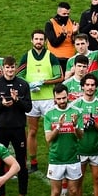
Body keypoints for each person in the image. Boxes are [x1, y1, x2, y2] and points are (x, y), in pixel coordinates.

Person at [17, 29, 64, 172]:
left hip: (48, 99)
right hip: (32, 99)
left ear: (45, 41)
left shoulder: (51, 57)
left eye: (41, 39)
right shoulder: (27, 57)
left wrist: (44, 82)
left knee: (53, 130)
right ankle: (34, 162)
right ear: (32, 41)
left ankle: (56, 159)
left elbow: (60, 77)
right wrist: (28, 85)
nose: (38, 41)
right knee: (32, 131)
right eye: (36, 39)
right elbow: (19, 75)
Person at [0, 55, 32, 196]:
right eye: (7, 67)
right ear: (3, 68)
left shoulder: (23, 85)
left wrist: (17, 100)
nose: (10, 70)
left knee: (21, 162)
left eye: (12, 67)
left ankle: (23, 195)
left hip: (18, 128)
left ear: (15, 68)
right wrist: (2, 104)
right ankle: (1, 195)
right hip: (1, 128)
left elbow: (28, 107)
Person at [44, 84, 84, 196]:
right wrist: (58, 127)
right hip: (56, 159)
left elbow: (81, 136)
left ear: (68, 96)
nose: (62, 101)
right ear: (54, 98)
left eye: (64, 98)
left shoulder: (76, 112)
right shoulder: (49, 114)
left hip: (73, 158)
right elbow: (48, 139)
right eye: (59, 98)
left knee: (73, 191)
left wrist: (75, 126)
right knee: (55, 192)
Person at [45, 2, 79, 75]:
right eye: (64, 14)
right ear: (58, 12)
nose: (66, 16)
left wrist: (75, 33)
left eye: (68, 14)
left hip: (70, 58)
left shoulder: (72, 23)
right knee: (58, 81)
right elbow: (54, 43)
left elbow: (76, 42)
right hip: (56, 59)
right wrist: (63, 35)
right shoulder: (50, 24)